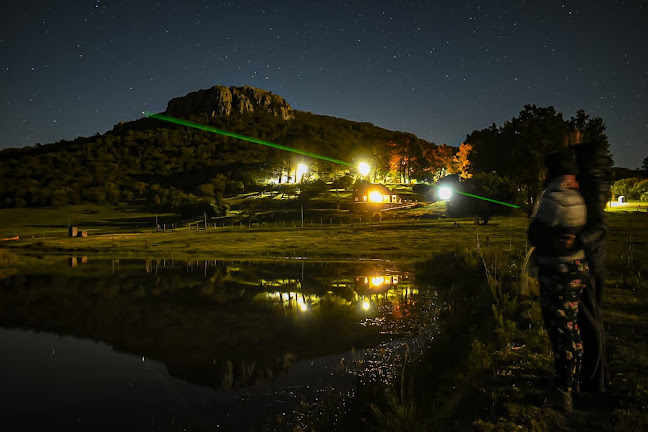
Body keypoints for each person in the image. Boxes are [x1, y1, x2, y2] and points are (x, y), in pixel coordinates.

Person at [528, 151, 589, 411]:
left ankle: (562, 392)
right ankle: (572, 383)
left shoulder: (552, 199)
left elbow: (535, 235)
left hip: (556, 271)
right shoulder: (577, 196)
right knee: (572, 328)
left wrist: (531, 218)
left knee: (559, 331)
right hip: (577, 267)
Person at [571, 141, 613, 393]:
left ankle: (592, 381)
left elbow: (600, 226)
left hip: (590, 259)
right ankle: (600, 376)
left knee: (589, 320)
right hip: (594, 257)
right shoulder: (596, 181)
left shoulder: (593, 184)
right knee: (592, 317)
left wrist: (577, 241)